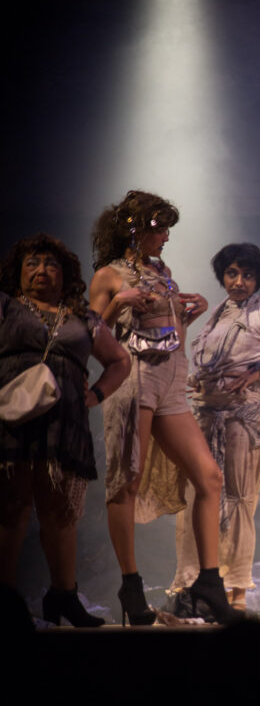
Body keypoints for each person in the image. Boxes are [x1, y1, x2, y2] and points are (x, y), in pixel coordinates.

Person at [89, 190, 237, 625]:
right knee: (127, 480)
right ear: (135, 229)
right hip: (133, 377)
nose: (166, 236)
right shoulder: (108, 275)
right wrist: (117, 303)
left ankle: (209, 582)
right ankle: (130, 584)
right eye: (160, 228)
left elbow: (166, 332)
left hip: (171, 377)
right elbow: (88, 334)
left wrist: (190, 313)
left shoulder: (162, 272)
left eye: (168, 228)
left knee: (209, 477)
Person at [170, 243, 260, 611]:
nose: (239, 282)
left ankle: (235, 593)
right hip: (204, 416)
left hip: (241, 419)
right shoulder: (217, 315)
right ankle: (195, 585)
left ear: (257, 279)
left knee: (238, 502)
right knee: (195, 501)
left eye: (247, 275)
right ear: (222, 276)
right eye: (232, 274)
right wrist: (197, 380)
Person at [0, 235, 129, 626]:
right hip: (12, 420)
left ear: (65, 273)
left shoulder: (83, 318)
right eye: (33, 263)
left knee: (60, 512)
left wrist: (96, 394)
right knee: (12, 507)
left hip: (64, 424)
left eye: (51, 264)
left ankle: (64, 596)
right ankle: (5, 599)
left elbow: (120, 362)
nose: (42, 270)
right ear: (18, 272)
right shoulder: (5, 306)